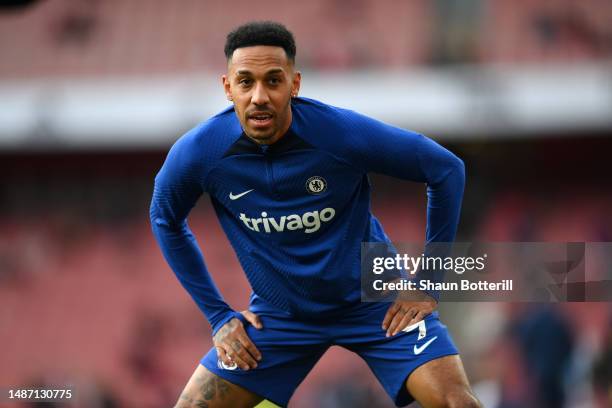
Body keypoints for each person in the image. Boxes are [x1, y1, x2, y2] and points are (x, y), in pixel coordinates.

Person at [150, 21, 480, 408]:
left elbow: (446, 170)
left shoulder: (339, 134)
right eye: (245, 82)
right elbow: (164, 219)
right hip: (281, 315)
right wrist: (218, 316)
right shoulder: (201, 153)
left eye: (273, 81)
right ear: (227, 87)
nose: (259, 96)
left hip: (377, 301)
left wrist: (429, 282)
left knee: (458, 403)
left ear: (295, 84)